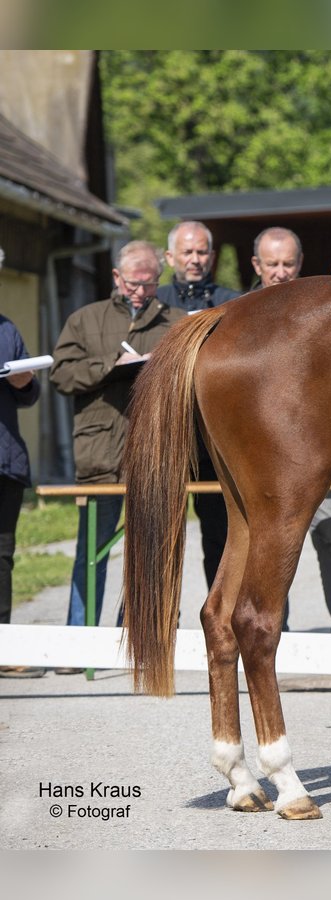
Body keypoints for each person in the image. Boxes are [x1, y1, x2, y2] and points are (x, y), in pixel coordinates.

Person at [49, 241, 186, 661]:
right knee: (91, 554)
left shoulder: (177, 322)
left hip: (155, 454)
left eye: (149, 284)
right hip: (100, 454)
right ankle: (80, 643)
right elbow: (61, 375)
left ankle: (143, 643)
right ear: (116, 278)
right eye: (133, 283)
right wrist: (110, 365)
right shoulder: (85, 319)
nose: (141, 291)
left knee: (154, 549)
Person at [248, 227, 331, 635]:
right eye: (272, 264)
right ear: (256, 266)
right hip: (261, 462)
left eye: (288, 264)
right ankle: (275, 630)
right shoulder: (239, 320)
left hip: (316, 456)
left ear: (300, 264)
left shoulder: (320, 317)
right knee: (266, 546)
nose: (280, 272)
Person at [158, 221, 241, 590]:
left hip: (216, 440)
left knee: (221, 538)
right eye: (187, 252)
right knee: (162, 540)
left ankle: (221, 620)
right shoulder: (156, 303)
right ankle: (161, 626)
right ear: (170, 256)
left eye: (202, 252)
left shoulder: (234, 302)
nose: (195, 260)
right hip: (168, 440)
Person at [0, 246, 46, 677]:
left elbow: (29, 396)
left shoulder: (6, 329)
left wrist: (23, 381)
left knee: (2, 556)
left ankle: (3, 646)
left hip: (4, 461)